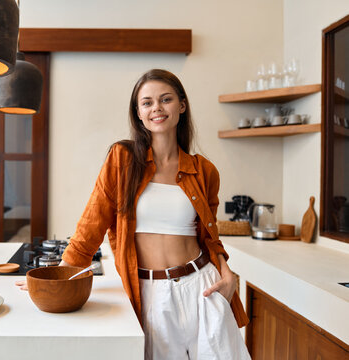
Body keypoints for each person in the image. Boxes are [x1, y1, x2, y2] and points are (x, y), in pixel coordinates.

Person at [18, 69, 251, 360]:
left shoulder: (204, 170)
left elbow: (210, 237)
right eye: (147, 102)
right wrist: (56, 278)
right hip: (151, 293)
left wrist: (227, 274)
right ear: (138, 113)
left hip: (203, 286)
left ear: (181, 105)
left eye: (165, 99)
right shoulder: (123, 159)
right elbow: (92, 224)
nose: (157, 108)